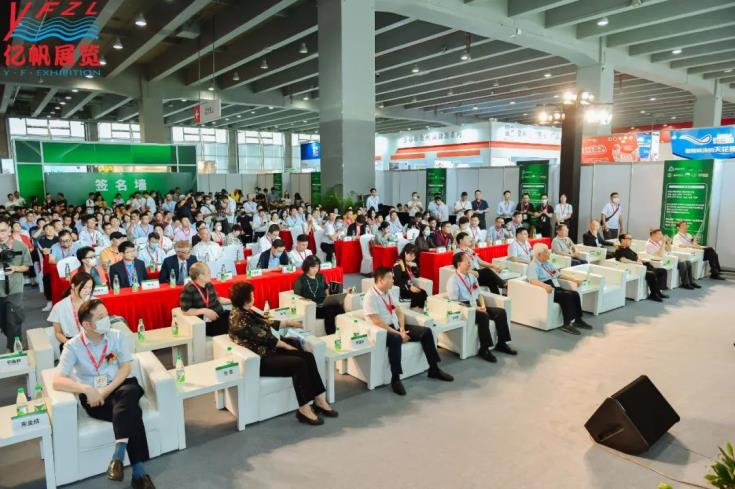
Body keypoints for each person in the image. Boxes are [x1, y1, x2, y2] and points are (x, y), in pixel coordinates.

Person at [52, 299, 156, 489]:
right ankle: (139, 475)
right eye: (101, 317)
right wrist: (86, 389)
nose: (107, 319)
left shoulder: (116, 336)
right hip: (94, 398)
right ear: (87, 325)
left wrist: (106, 390)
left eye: (107, 315)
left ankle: (118, 455)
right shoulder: (73, 346)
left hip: (121, 386)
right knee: (131, 413)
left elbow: (125, 366)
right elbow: (57, 380)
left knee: (129, 393)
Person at [228, 281, 336, 425]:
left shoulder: (247, 311)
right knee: (299, 363)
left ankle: (319, 400)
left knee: (308, 357)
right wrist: (287, 346)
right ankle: (304, 409)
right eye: (252, 295)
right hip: (261, 359)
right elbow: (267, 338)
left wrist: (288, 323)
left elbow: (265, 322)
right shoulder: (239, 319)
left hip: (270, 350)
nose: (254, 297)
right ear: (245, 299)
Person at [364, 268, 453, 395]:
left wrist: (401, 328)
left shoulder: (389, 292)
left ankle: (434, 369)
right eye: (390, 278)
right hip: (382, 331)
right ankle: (395, 379)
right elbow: (376, 321)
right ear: (381, 280)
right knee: (396, 339)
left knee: (426, 332)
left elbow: (399, 312)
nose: (393, 280)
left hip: (395, 327)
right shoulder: (370, 296)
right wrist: (398, 334)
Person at [447, 252, 516, 362]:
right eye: (466, 260)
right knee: (484, 316)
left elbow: (479, 294)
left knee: (501, 312)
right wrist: (475, 308)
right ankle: (484, 349)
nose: (469, 262)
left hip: (476, 304)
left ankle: (502, 343)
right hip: (465, 308)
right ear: (459, 264)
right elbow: (454, 302)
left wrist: (482, 305)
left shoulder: (471, 276)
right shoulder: (453, 280)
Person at [0, 219, 32, 351]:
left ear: (9, 230)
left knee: (13, 319)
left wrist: (15, 268)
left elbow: (27, 266)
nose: (0, 234)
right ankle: (13, 340)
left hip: (15, 288)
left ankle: (13, 347)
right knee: (3, 321)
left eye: (3, 231)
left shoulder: (20, 246)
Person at [292, 255, 343, 335]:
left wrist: (328, 298)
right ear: (307, 267)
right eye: (313, 267)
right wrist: (306, 301)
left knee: (339, 307)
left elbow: (326, 288)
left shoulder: (320, 276)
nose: (315, 270)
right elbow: (296, 297)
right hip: (313, 307)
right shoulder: (300, 280)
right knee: (329, 312)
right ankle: (331, 335)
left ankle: (344, 331)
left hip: (324, 303)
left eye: (317, 267)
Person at [180, 262, 231, 336]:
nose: (210, 275)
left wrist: (232, 301)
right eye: (208, 273)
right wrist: (205, 311)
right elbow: (185, 311)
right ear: (201, 276)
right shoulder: (188, 289)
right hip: (208, 323)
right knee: (235, 325)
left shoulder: (209, 285)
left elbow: (217, 299)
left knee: (239, 315)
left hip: (220, 315)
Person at [48, 272, 93, 353]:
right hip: (70, 343)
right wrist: (70, 344)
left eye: (90, 287)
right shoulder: (59, 307)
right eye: (84, 287)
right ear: (73, 286)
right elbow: (58, 333)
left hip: (92, 340)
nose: (88, 291)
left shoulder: (94, 302)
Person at [615, 234, 668, 302]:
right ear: (622, 240)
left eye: (631, 239)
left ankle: (659, 292)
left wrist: (640, 260)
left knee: (663, 271)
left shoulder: (629, 249)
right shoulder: (619, 250)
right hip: (635, 269)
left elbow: (636, 257)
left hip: (642, 266)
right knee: (651, 274)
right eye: (629, 239)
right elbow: (623, 260)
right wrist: (636, 263)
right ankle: (654, 294)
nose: (631, 240)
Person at [392, 244, 427, 309]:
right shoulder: (398, 265)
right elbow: (397, 282)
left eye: (414, 256)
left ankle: (421, 310)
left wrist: (415, 267)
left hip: (410, 286)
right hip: (402, 290)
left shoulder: (410, 264)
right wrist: (409, 287)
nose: (412, 258)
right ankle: (415, 311)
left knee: (423, 293)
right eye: (411, 255)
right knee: (419, 295)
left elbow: (416, 277)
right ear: (405, 253)